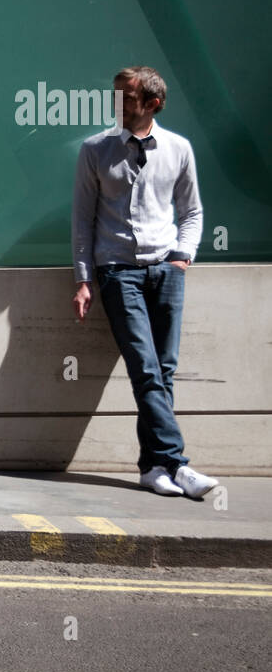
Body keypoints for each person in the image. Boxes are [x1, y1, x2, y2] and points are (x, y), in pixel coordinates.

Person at [72, 66, 217, 498]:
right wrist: (84, 280)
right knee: (145, 368)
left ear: (152, 104)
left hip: (166, 270)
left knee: (163, 371)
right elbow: (82, 218)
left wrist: (182, 257)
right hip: (118, 272)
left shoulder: (178, 149)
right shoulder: (95, 149)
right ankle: (178, 463)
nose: (117, 105)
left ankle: (152, 468)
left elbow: (191, 211)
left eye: (126, 98)